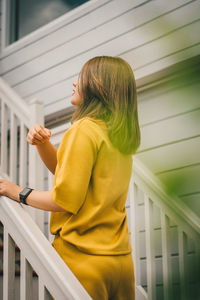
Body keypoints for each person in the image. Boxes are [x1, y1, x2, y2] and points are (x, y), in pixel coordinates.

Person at [0, 56, 140, 299]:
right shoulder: (118, 137)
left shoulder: (83, 129)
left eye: (81, 77)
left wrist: (15, 191)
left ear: (98, 85)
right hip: (120, 264)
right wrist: (43, 144)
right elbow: (72, 177)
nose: (74, 83)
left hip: (82, 259)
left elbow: (64, 199)